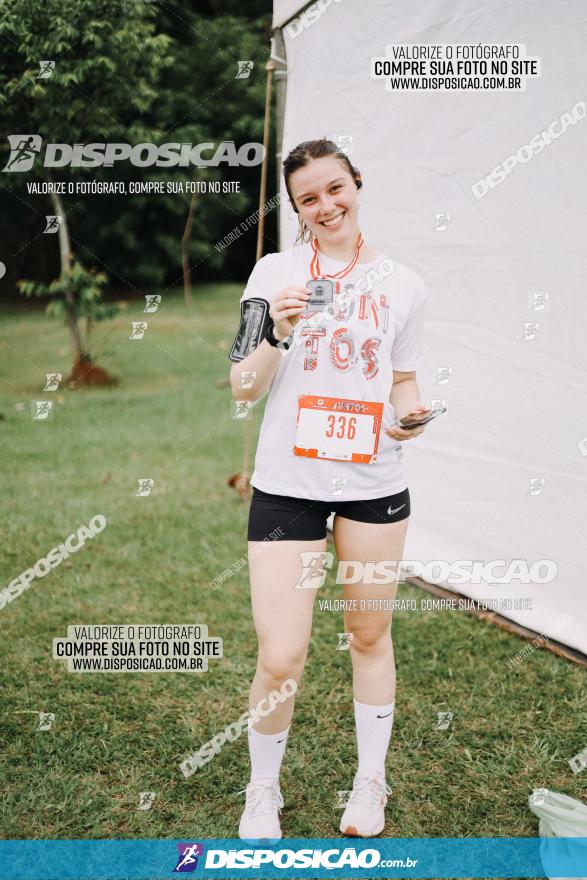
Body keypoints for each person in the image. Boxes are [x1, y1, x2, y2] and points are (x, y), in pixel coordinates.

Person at [228, 138, 432, 841]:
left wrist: (408, 415)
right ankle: (262, 792)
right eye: (308, 198)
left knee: (368, 634)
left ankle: (369, 783)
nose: (325, 205)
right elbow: (241, 386)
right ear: (295, 209)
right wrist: (278, 332)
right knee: (280, 654)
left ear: (356, 184)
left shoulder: (405, 284)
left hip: (374, 484)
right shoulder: (274, 272)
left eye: (334, 188)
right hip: (290, 485)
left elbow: (400, 377)